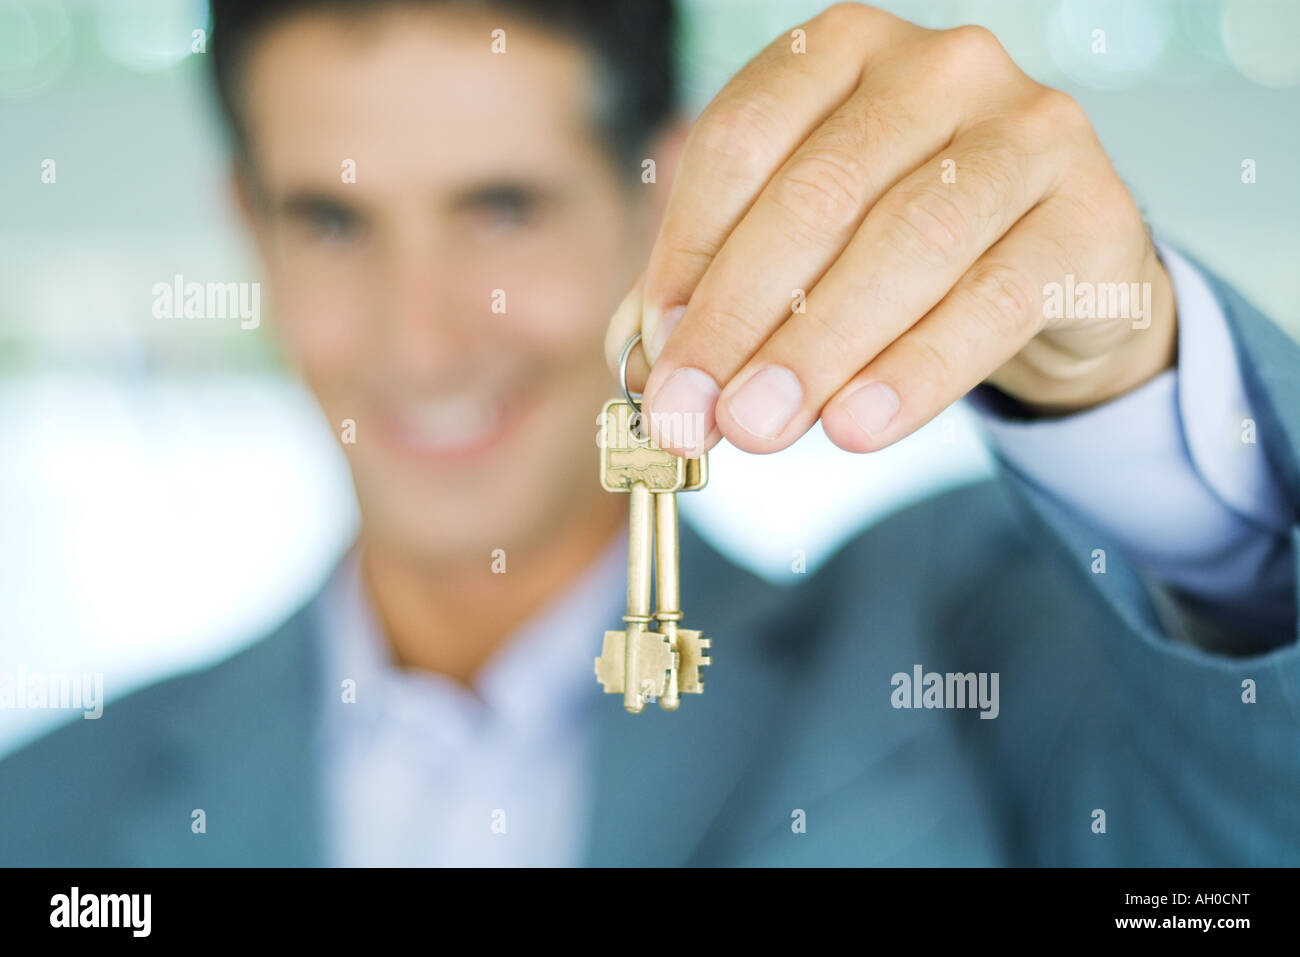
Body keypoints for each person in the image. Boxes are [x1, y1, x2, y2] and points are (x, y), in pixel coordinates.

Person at [1, 0, 1295, 867]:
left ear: (661, 192)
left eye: (501, 207)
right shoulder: (44, 809)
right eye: (333, 222)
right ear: (248, 226)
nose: (421, 340)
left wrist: (1130, 392)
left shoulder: (969, 645)